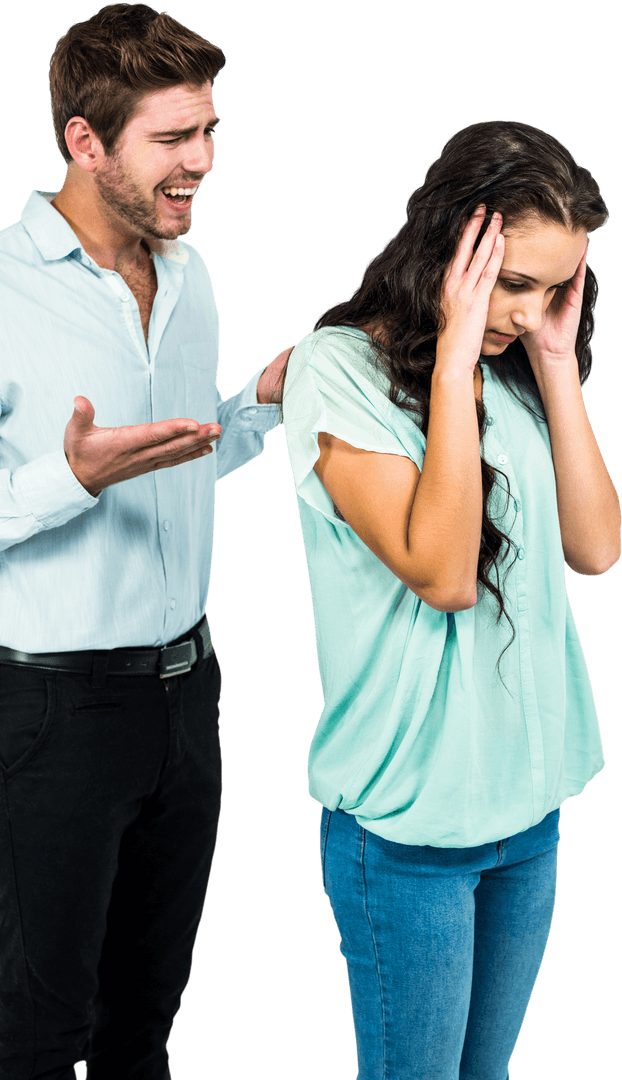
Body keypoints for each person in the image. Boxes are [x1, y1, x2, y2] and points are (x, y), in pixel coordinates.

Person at [0, 4, 291, 1078]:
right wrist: (69, 476)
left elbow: (179, 457)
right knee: (45, 1032)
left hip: (187, 698)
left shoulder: (188, 274)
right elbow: (91, 472)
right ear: (85, 140)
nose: (200, 162)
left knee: (143, 1031)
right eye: (172, 139)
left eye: (208, 131)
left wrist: (257, 401)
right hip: (49, 714)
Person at [280, 120, 620, 1079]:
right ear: (450, 251)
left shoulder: (517, 369)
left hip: (526, 809)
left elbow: (597, 547)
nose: (530, 309)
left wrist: (553, 363)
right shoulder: (336, 370)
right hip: (409, 825)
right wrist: (454, 354)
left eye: (558, 287)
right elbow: (442, 572)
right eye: (514, 284)